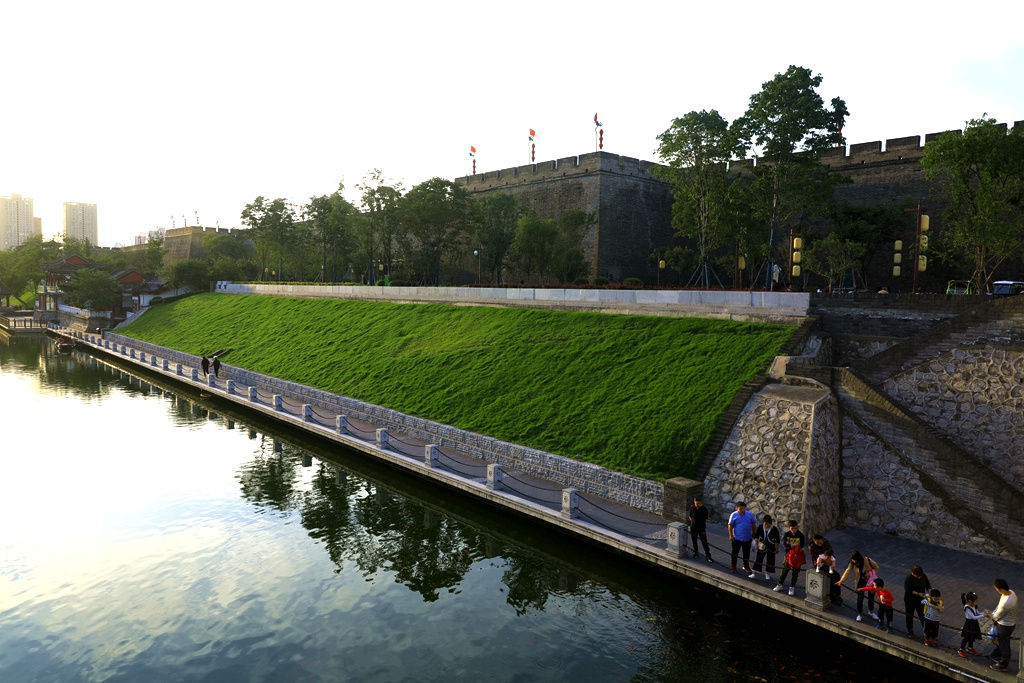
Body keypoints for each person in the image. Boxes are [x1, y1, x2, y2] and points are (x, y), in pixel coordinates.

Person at [836, 551, 880, 622]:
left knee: (871, 597)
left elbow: (877, 567)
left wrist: (869, 574)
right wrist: (842, 580)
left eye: (854, 560)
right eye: (852, 560)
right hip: (860, 580)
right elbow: (848, 570)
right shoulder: (852, 562)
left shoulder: (867, 560)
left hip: (870, 580)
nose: (853, 561)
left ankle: (871, 611)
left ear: (858, 558)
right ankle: (859, 614)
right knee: (860, 597)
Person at [986, 578, 1018, 671]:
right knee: (1002, 642)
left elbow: (996, 616)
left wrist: (990, 616)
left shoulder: (1006, 602)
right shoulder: (1011, 593)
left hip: (1005, 626)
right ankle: (996, 655)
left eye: (996, 589)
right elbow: (998, 607)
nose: (996, 590)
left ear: (1001, 589)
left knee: (1004, 644)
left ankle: (1003, 664)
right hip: (1010, 623)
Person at [773, 520, 806, 596]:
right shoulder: (787, 534)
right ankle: (780, 584)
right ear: (789, 528)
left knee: (795, 572)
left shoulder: (801, 535)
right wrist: (794, 545)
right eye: (792, 528)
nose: (793, 530)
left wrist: (790, 544)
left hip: (797, 556)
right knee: (784, 570)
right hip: (788, 555)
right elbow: (785, 545)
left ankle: (792, 586)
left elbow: (801, 545)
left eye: (795, 528)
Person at [727, 501, 757, 573]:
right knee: (735, 553)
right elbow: (730, 526)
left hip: (747, 537)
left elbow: (753, 523)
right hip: (737, 538)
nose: (742, 510)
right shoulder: (733, 515)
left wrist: (754, 532)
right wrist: (731, 535)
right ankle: (733, 566)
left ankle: (746, 565)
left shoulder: (749, 514)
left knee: (746, 553)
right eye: (741, 509)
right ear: (737, 508)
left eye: (744, 508)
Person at [903, 565, 931, 638]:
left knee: (922, 615)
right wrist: (918, 593)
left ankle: (926, 631)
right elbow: (908, 589)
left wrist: (930, 592)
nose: (919, 577)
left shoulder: (923, 576)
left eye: (920, 576)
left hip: (920, 599)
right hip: (910, 599)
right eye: (918, 576)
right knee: (909, 615)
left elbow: (928, 585)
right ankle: (910, 630)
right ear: (913, 574)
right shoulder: (909, 578)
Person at [751, 514, 780, 581]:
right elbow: (756, 536)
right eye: (765, 524)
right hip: (762, 545)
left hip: (771, 545)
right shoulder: (761, 527)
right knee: (759, 558)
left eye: (768, 524)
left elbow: (777, 540)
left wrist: (777, 548)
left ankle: (767, 573)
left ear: (771, 523)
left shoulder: (774, 529)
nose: (766, 525)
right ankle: (754, 573)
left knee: (770, 560)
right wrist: (756, 544)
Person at [687, 497, 712, 563]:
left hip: (701, 528)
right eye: (696, 503)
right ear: (694, 502)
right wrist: (693, 522)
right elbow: (690, 516)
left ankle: (708, 555)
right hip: (693, 528)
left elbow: (705, 518)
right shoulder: (692, 507)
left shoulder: (704, 509)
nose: (698, 504)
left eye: (699, 503)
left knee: (704, 542)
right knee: (694, 541)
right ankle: (696, 552)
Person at [959, 592, 983, 658]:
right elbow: (973, 617)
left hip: (974, 623)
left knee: (972, 636)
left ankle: (970, 647)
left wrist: (984, 615)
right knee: (966, 637)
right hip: (969, 623)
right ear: (970, 601)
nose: (976, 603)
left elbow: (977, 613)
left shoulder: (974, 606)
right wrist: (983, 615)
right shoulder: (967, 608)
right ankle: (961, 649)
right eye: (975, 601)